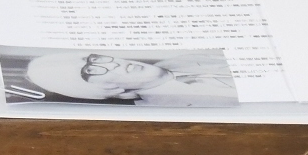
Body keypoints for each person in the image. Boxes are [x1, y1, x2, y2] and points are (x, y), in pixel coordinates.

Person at [22, 50, 237, 107]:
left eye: (95, 59)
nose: (113, 63)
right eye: (91, 72)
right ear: (110, 92)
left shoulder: (192, 57)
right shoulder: (170, 116)